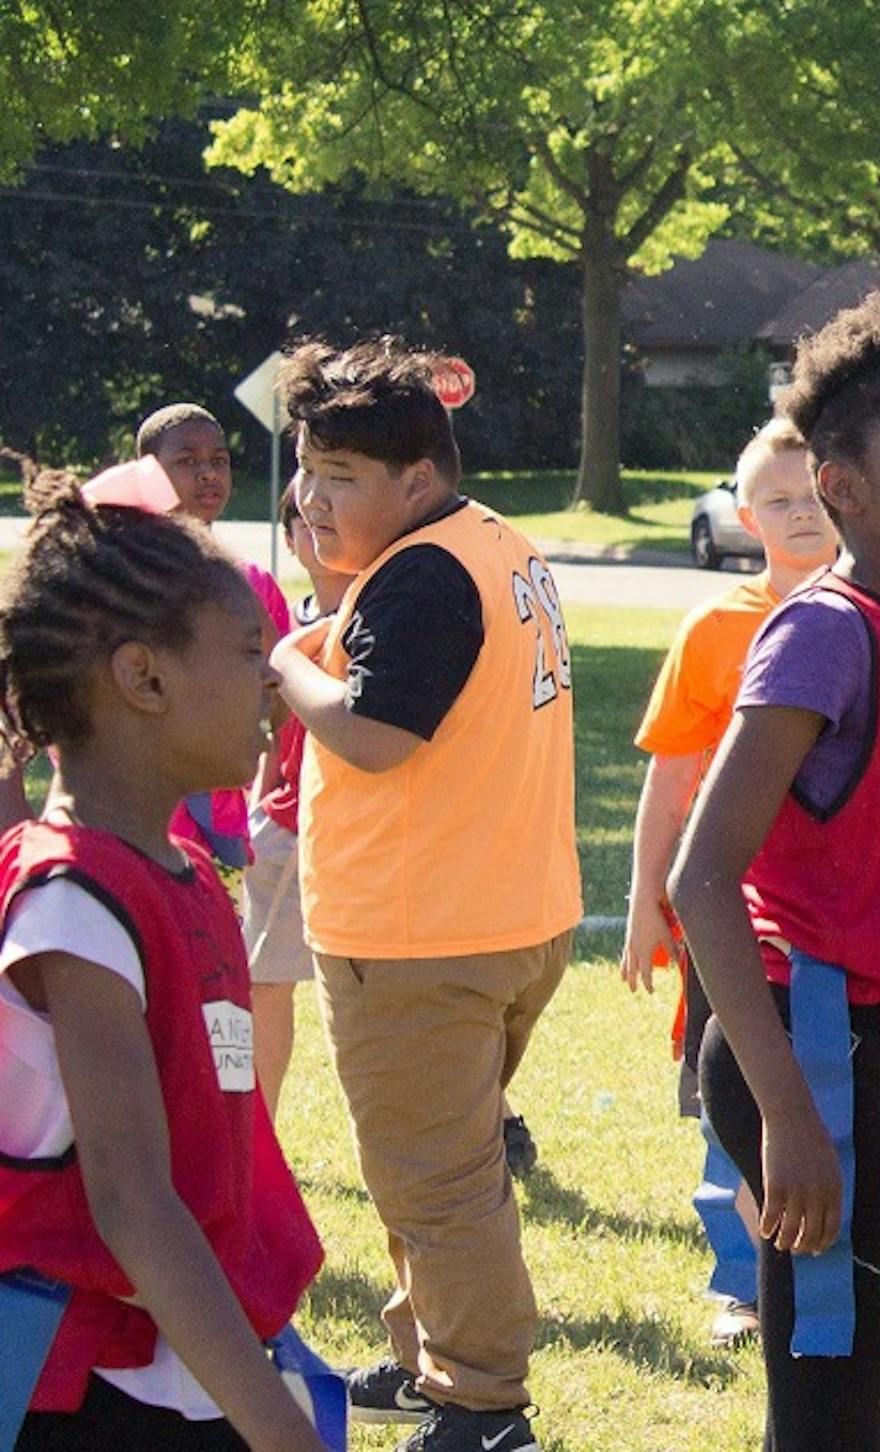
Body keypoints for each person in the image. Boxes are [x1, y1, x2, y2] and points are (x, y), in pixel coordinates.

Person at [669, 290, 880, 1451]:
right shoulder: (826, 631)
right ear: (842, 487)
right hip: (806, 1048)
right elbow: (703, 877)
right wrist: (788, 1115)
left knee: (842, 1392)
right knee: (827, 1405)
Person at [272, 338, 579, 1452]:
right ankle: (428, 1356)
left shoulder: (423, 573)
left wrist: (284, 664)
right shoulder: (491, 540)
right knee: (427, 1162)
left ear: (417, 479)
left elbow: (375, 731)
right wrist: (330, 620)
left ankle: (482, 1406)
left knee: (440, 1182)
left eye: (339, 477)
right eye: (306, 470)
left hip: (421, 937)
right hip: (505, 915)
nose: (310, 497)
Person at [0, 470, 324, 1451]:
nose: (272, 677)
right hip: (90, 1391)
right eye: (243, 650)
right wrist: (283, 1432)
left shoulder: (178, 867)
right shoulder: (73, 902)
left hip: (187, 1365)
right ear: (144, 678)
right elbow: (133, 1205)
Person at [620, 416, 839, 1343]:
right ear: (746, 515)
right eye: (777, 500)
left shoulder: (875, 617)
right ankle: (745, 1283)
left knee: (841, 1091)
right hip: (727, 912)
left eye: (812, 495)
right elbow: (670, 776)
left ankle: (855, 1286)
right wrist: (643, 904)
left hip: (834, 914)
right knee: (734, 1096)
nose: (798, 513)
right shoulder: (715, 627)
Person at [237, 478, 355, 1123]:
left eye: (334, 518)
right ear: (288, 540)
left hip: (359, 833)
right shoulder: (291, 622)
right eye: (306, 523)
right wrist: (261, 805)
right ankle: (258, 1132)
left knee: (386, 990)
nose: (321, 532)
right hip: (287, 829)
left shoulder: (379, 614)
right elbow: (268, 731)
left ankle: (495, 1118)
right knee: (263, 981)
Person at [137, 404, 294, 871]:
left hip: (225, 822)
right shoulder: (128, 579)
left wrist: (261, 797)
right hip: (143, 814)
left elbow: (282, 691)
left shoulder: (254, 582)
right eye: (187, 461)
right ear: (148, 473)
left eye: (219, 461)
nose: (208, 474)